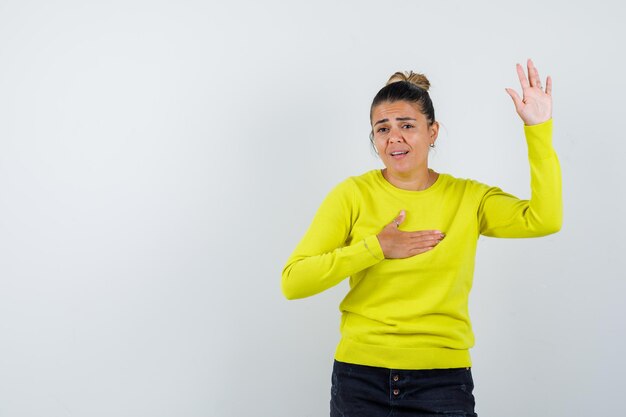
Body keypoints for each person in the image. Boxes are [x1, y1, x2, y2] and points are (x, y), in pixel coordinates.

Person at [281, 59, 561, 417]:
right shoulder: (351, 195)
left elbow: (544, 219)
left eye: (407, 125)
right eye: (381, 129)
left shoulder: (469, 198)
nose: (393, 137)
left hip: (442, 383)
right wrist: (376, 247)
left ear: (433, 132)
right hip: (359, 379)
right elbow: (293, 281)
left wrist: (539, 129)